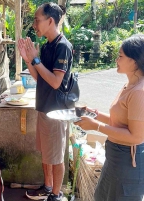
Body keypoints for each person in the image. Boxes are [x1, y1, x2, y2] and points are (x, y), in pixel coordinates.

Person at [74, 34, 144, 201]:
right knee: (101, 196)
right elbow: (118, 123)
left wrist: (95, 126)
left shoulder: (139, 92)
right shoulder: (129, 85)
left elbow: (136, 136)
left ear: (134, 61)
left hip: (128, 162)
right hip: (114, 157)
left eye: (120, 56)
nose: (116, 60)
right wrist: (93, 114)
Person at [18, 3, 72, 201]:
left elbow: (56, 82)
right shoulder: (48, 45)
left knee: (56, 157)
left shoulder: (62, 47)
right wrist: (28, 59)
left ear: (50, 21)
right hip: (44, 107)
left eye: (37, 20)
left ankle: (56, 195)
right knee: (46, 153)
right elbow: (40, 78)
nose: (34, 24)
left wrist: (36, 60)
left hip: (57, 111)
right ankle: (47, 187)